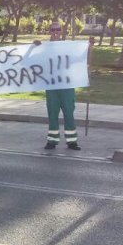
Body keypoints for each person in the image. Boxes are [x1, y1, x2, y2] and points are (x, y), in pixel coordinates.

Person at [36, 21, 80, 150]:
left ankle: (72, 141)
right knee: (52, 113)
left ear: (62, 31)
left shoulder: (68, 46)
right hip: (52, 86)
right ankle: (52, 140)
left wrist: (90, 46)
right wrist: (35, 46)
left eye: (58, 29)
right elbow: (33, 60)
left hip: (67, 86)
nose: (55, 32)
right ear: (49, 31)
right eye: (52, 30)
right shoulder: (44, 47)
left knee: (68, 113)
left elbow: (80, 59)